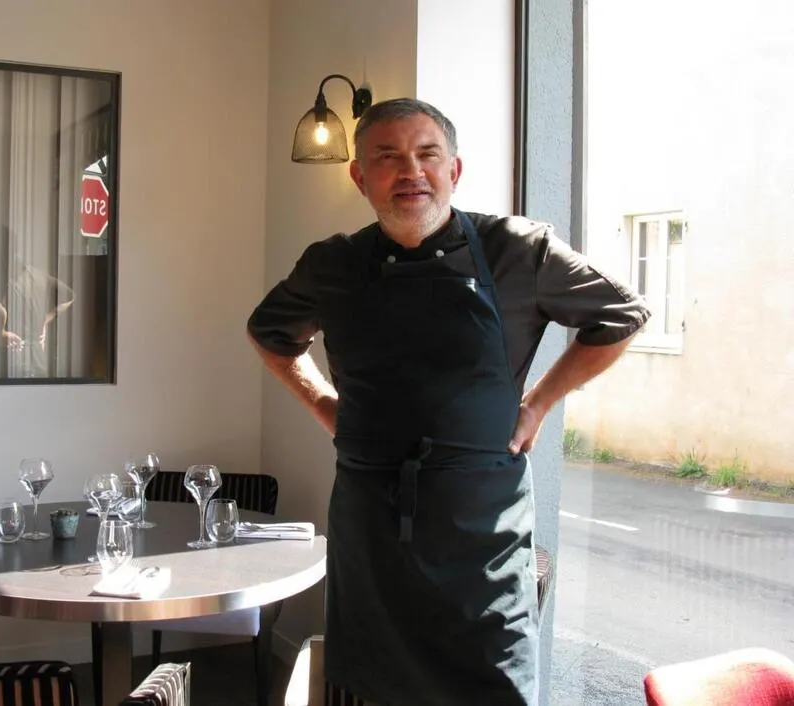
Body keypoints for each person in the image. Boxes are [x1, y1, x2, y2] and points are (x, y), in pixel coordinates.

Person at [246, 98, 651, 705]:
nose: (410, 171)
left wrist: (539, 403)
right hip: (371, 530)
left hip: (481, 536)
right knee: (372, 690)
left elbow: (620, 316)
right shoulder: (332, 263)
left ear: (453, 170)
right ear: (360, 177)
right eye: (387, 157)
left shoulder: (519, 250)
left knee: (494, 688)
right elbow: (269, 333)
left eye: (427, 154)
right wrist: (326, 406)